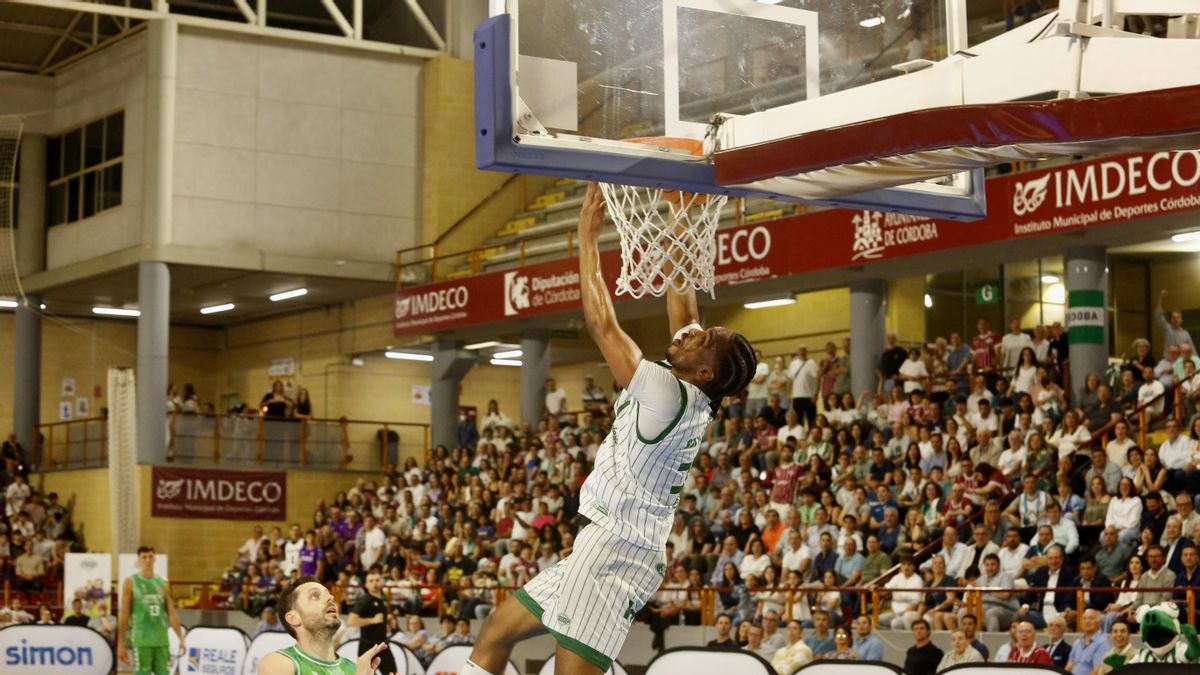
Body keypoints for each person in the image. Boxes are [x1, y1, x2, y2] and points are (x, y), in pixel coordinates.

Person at [465, 185, 758, 675]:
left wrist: (586, 236)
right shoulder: (696, 387)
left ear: (705, 371)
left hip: (617, 553)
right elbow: (684, 310)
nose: (692, 332)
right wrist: (679, 221)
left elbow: (602, 325)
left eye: (704, 340)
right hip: (606, 543)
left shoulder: (668, 392)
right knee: (498, 630)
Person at [258, 576, 391, 674]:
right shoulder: (279, 663)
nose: (331, 598)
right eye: (315, 596)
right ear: (294, 618)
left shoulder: (353, 669)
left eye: (329, 593)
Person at [118, 546, 185, 675]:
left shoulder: (164, 582)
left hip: (161, 640)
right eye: (144, 557)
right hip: (141, 640)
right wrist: (120, 643)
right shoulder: (130, 582)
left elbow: (171, 613)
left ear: (155, 559)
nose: (148, 560)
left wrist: (181, 638)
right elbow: (124, 615)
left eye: (150, 557)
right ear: (139, 560)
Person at [347, 571, 398, 675]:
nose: (375, 583)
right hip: (368, 647)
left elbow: (378, 616)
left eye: (377, 580)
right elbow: (351, 621)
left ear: (381, 582)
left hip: (383, 645)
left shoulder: (382, 598)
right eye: (371, 581)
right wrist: (373, 620)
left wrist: (388, 619)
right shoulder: (365, 600)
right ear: (366, 584)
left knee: (393, 673)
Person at [1066, 609, 1112, 675]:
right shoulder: (1077, 642)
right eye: (1084, 619)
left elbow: (1098, 671)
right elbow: (1069, 666)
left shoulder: (1103, 642)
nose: (1087, 621)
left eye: (1091, 618)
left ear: (1098, 622)